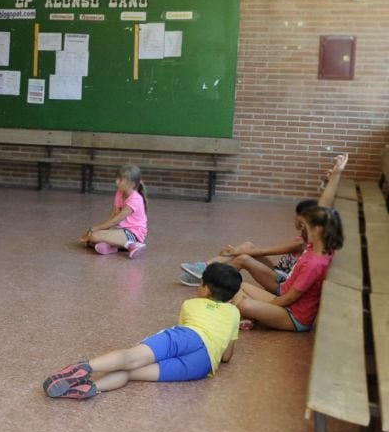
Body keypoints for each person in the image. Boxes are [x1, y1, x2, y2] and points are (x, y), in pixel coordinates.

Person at [43, 262, 243, 400]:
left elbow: (184, 333)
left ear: (205, 288)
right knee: (130, 373)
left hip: (187, 336)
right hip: (202, 364)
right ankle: (93, 388)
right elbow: (226, 357)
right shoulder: (234, 313)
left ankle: (85, 367)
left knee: (131, 357)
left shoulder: (191, 303)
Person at [179, 153, 349, 287]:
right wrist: (332, 178)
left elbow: (269, 251)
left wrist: (234, 252)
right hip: (279, 272)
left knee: (243, 257)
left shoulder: (307, 243)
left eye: (302, 220)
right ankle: (205, 268)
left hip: (283, 280)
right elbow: (324, 208)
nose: (298, 221)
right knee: (247, 246)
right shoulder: (310, 239)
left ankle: (211, 279)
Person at [232, 204, 343, 332]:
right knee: (239, 285)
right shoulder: (316, 246)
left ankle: (250, 315)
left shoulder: (315, 264)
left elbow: (290, 298)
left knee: (245, 305)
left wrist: (263, 306)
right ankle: (251, 317)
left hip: (294, 316)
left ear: (316, 230)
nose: (304, 231)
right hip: (284, 300)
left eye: (306, 226)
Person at [79, 164, 147, 258]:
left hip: (133, 233)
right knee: (92, 239)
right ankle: (112, 247)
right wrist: (101, 231)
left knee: (94, 236)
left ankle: (133, 244)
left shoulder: (135, 199)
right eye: (117, 178)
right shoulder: (119, 193)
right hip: (121, 230)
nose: (117, 182)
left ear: (132, 184)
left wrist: (93, 229)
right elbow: (112, 216)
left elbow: (115, 220)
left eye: (121, 179)